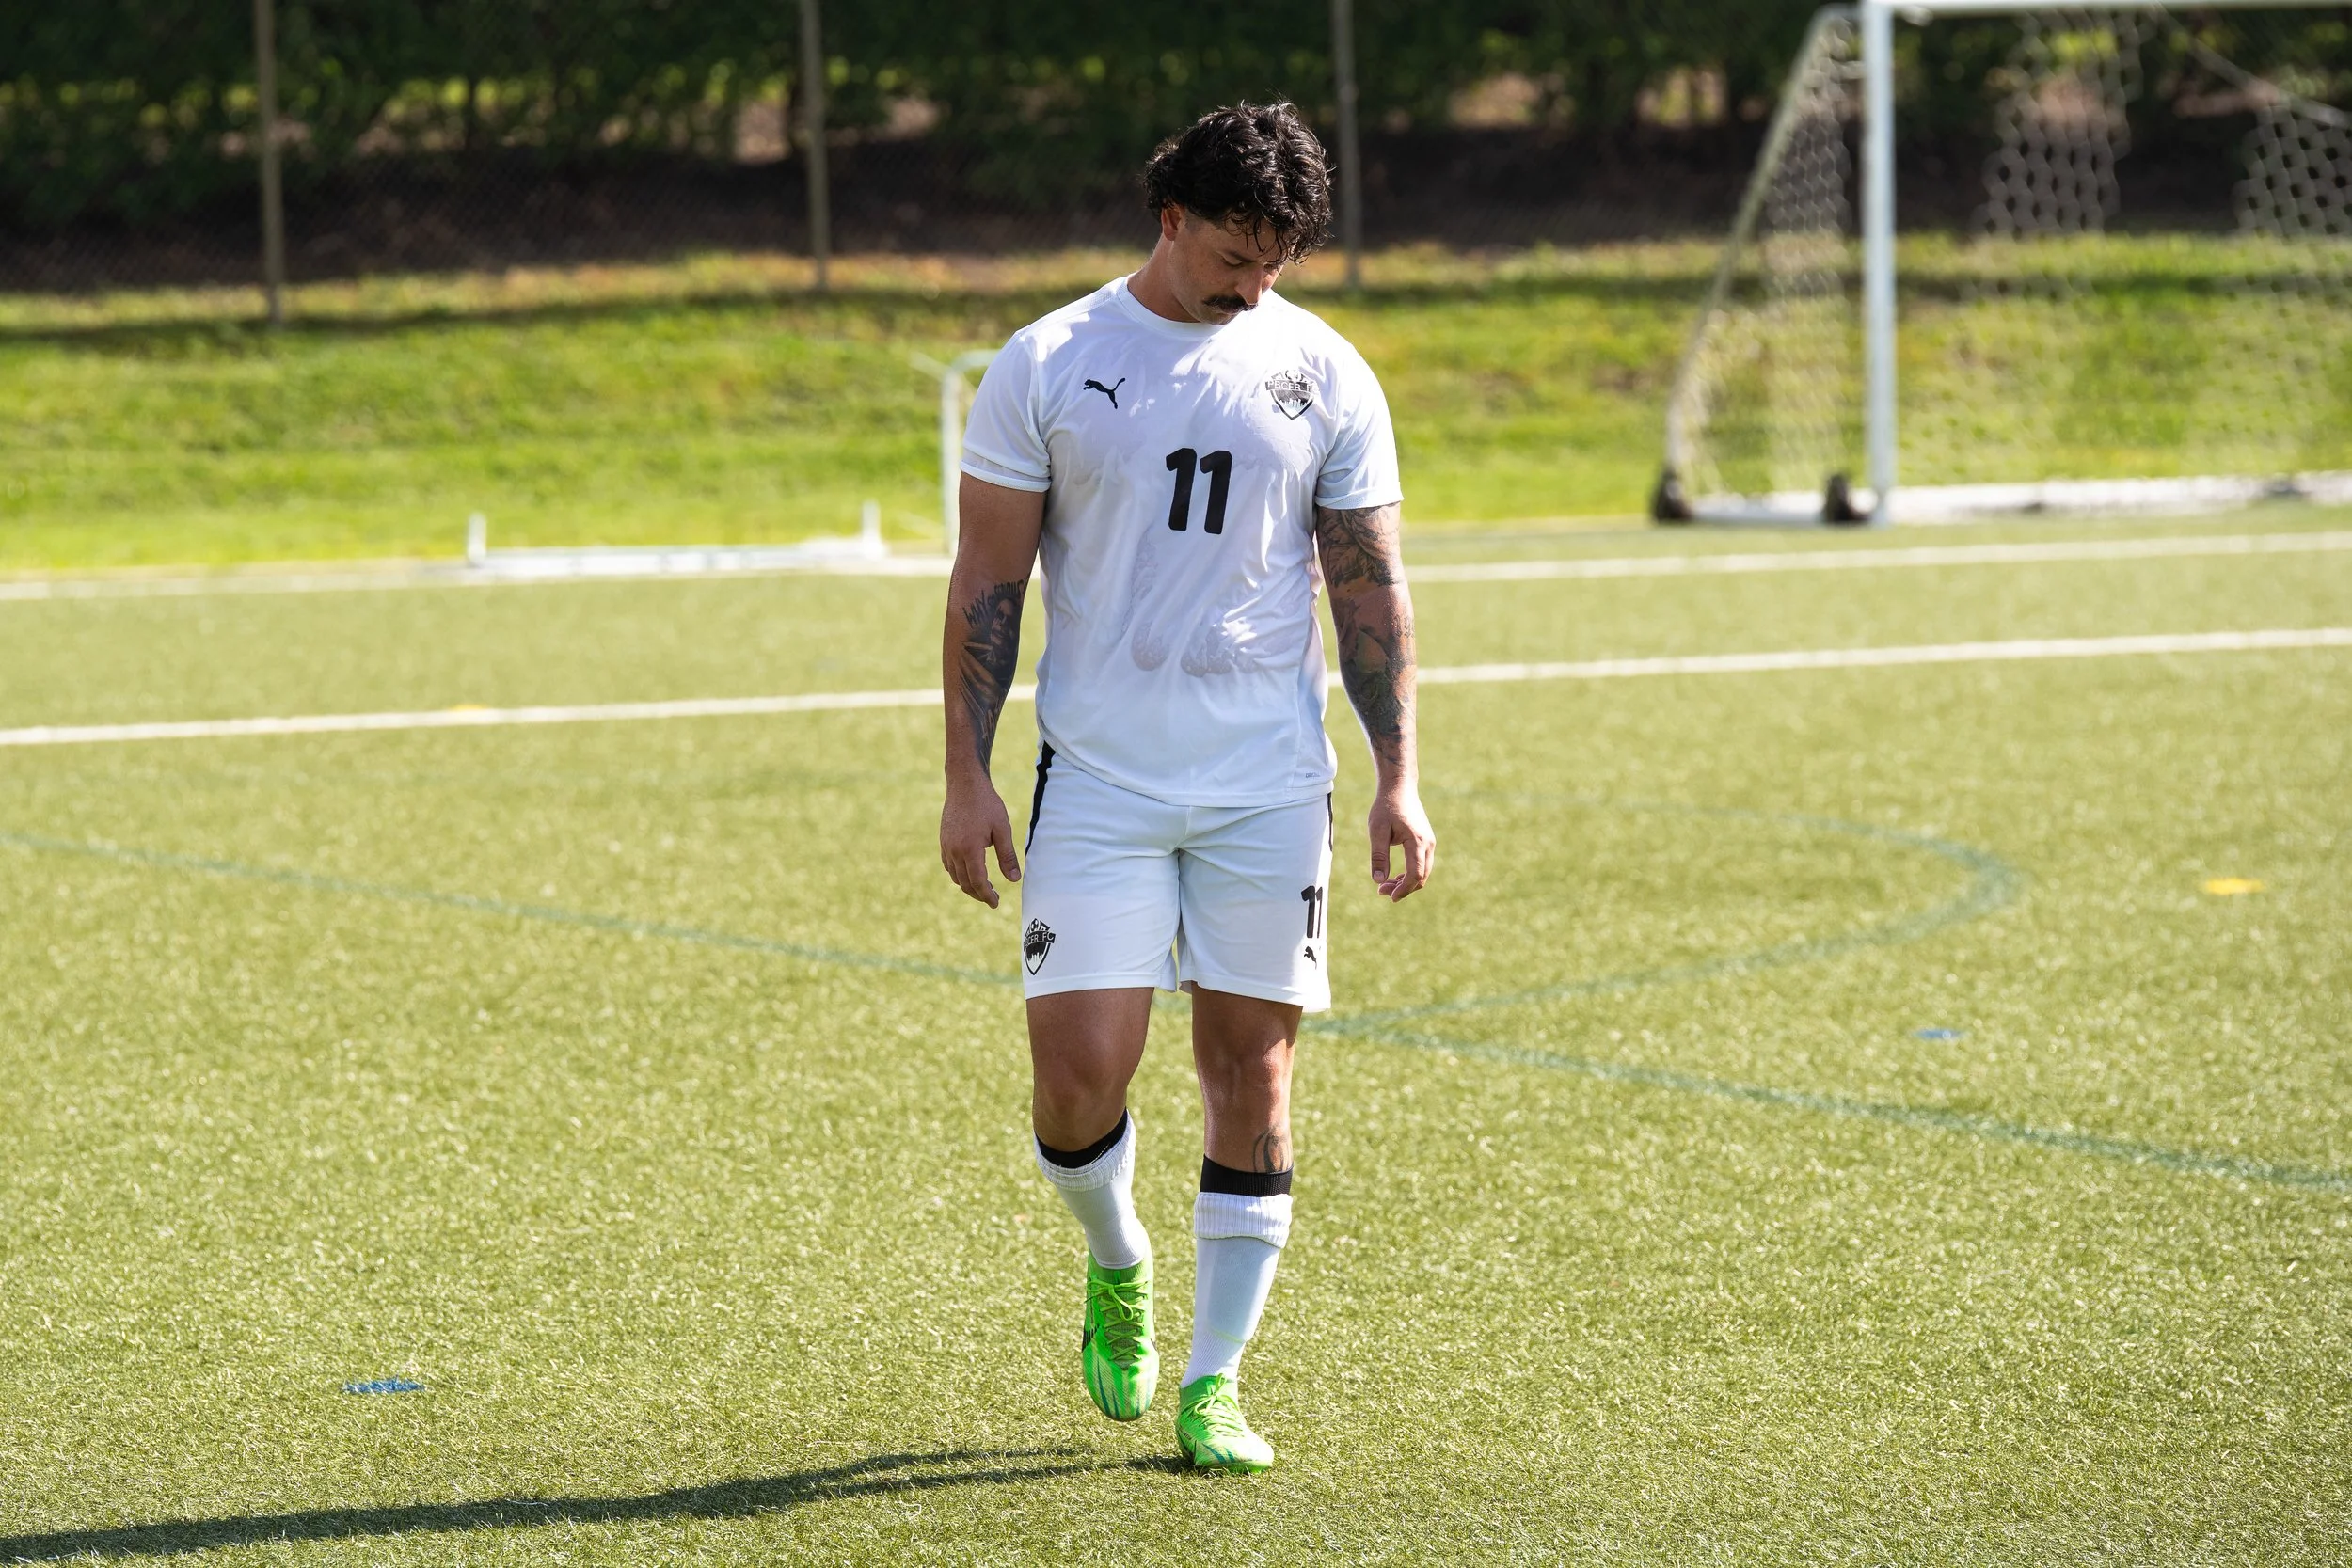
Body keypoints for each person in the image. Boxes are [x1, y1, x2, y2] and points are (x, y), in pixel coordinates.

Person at [937, 101, 1434, 1475]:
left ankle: (1215, 1382)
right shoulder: (1049, 360)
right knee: (1079, 1075)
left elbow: (1367, 586)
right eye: (1234, 251)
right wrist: (965, 777)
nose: (1251, 283)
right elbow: (988, 583)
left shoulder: (1326, 373)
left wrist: (1399, 775)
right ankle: (1117, 1253)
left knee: (1252, 1075)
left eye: (1276, 261)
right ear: (1170, 216)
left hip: (1269, 785)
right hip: (1099, 774)